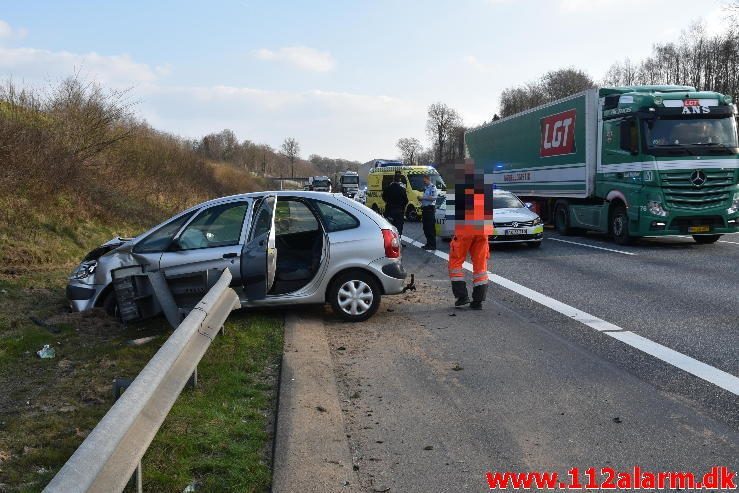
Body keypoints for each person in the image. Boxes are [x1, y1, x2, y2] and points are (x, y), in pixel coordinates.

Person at [448, 160, 493, 310]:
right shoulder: (484, 185)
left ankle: (462, 297)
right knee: (480, 265)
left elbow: (452, 210)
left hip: (465, 228)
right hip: (482, 229)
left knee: (455, 262)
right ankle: (478, 301)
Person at [382, 171, 408, 236]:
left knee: (390, 226)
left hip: (389, 210)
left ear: (393, 179)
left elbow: (383, 197)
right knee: (399, 227)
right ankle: (398, 241)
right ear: (399, 180)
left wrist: (388, 202)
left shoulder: (387, 188)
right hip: (399, 210)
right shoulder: (402, 189)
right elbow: (406, 200)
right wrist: (402, 206)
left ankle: (391, 241)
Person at [420, 174, 438, 250]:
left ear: (428, 179)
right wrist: (421, 199)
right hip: (425, 209)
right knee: (426, 228)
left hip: (430, 209)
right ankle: (428, 243)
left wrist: (423, 197)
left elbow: (434, 197)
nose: (423, 181)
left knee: (430, 228)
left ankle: (432, 245)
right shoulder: (426, 188)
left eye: (424, 180)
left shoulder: (432, 187)